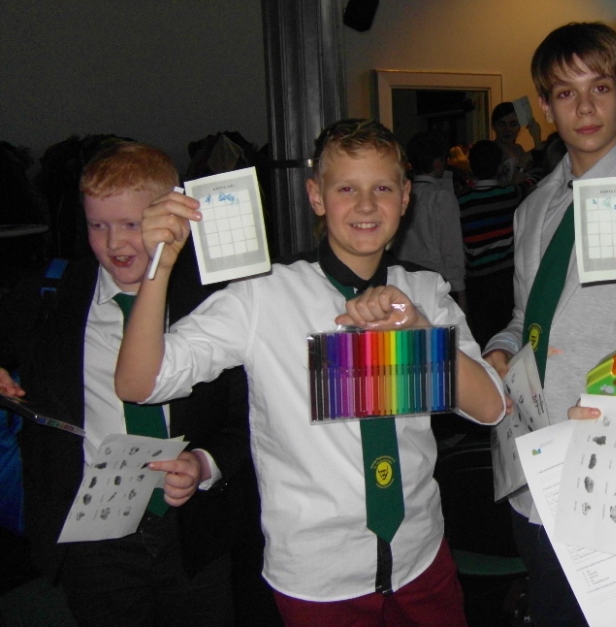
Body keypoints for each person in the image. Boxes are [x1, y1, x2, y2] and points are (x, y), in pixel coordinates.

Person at [114, 119, 505, 627]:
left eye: (382, 188)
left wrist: (418, 331)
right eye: (346, 189)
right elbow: (140, 383)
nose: (366, 205)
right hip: (318, 574)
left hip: (420, 555)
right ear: (317, 196)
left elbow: (491, 408)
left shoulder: (425, 291)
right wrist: (159, 268)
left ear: (405, 197)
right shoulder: (264, 295)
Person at [483, 22, 616, 627]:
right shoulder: (535, 208)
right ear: (545, 106)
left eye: (600, 88)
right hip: (535, 459)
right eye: (565, 93)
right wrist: (500, 350)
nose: (584, 108)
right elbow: (526, 315)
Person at [0, 142, 259, 627]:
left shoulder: (215, 305)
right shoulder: (49, 294)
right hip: (91, 533)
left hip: (191, 530)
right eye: (97, 225)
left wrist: (205, 463)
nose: (114, 243)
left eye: (132, 224)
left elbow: (250, 417)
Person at [458, 139, 538, 347]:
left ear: (471, 166)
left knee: (483, 335)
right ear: (499, 167)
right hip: (505, 276)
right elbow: (534, 180)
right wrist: (521, 169)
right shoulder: (509, 194)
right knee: (508, 330)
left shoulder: (461, 201)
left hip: (476, 280)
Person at [392, 131, 467, 310]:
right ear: (437, 162)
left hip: (404, 281)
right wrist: (460, 290)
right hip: (436, 283)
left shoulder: (401, 196)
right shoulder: (441, 197)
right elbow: (451, 248)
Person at [490, 101, 544, 184]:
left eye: (513, 124)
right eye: (502, 124)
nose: (507, 129)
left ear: (519, 127)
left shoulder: (518, 149)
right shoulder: (491, 152)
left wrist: (536, 137)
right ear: (494, 126)